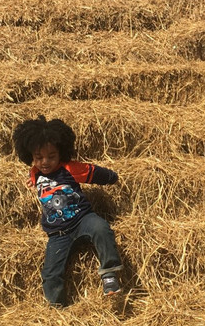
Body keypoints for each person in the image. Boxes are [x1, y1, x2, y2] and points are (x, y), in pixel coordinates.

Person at [12, 115, 124, 307]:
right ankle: (57, 307)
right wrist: (32, 180)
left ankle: (109, 274)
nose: (45, 162)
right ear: (30, 156)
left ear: (61, 153)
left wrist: (112, 177)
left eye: (51, 156)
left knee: (101, 228)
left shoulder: (69, 168)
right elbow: (34, 175)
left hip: (82, 219)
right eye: (39, 158)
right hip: (58, 233)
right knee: (50, 273)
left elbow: (93, 172)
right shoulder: (35, 172)